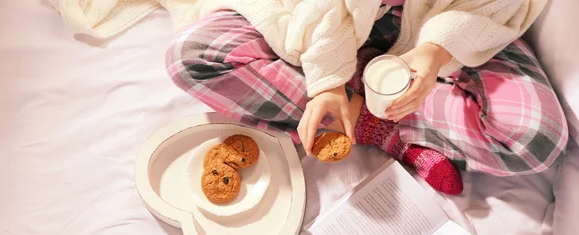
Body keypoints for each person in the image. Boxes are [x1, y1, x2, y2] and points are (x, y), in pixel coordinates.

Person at [166, 0, 568, 195]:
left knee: (538, 139)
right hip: (324, 17)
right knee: (194, 57)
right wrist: (326, 82)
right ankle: (384, 130)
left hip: (458, 19)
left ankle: (385, 114)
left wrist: (437, 49)